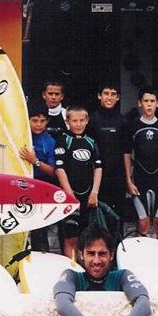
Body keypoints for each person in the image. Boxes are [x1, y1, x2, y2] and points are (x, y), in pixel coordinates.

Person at [123, 88, 158, 239]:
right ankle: (142, 259)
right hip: (140, 181)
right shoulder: (132, 126)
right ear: (140, 103)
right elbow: (126, 155)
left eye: (152, 101)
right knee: (143, 222)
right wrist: (128, 181)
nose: (149, 105)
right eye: (146, 101)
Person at [55, 105, 102, 258]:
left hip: (89, 197)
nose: (78, 124)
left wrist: (94, 192)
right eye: (75, 121)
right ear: (67, 121)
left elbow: (98, 168)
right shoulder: (63, 140)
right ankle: (72, 270)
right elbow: (59, 169)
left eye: (82, 120)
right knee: (71, 238)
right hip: (71, 197)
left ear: (87, 120)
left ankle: (86, 271)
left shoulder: (91, 141)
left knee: (88, 238)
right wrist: (69, 194)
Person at [87, 85, 127, 234]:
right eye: (106, 93)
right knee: (98, 218)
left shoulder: (123, 121)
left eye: (113, 94)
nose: (109, 97)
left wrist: (128, 179)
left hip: (117, 177)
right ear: (99, 96)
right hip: (97, 179)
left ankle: (116, 253)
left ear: (118, 98)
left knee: (117, 219)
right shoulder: (92, 120)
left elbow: (126, 152)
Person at [19, 100, 57, 251]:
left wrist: (35, 161)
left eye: (42, 121)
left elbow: (53, 171)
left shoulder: (49, 141)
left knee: (39, 230)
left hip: (40, 187)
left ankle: (42, 259)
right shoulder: (19, 136)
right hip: (19, 187)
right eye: (34, 120)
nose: (38, 124)